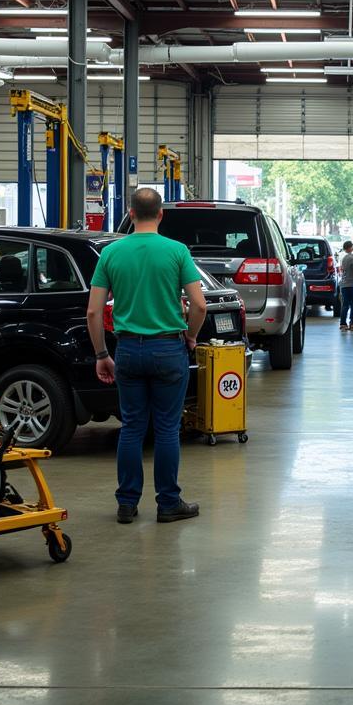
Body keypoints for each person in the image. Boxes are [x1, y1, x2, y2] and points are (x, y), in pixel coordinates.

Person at [86, 187, 207, 523]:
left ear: (131, 213)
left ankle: (127, 503)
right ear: (161, 214)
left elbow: (94, 313)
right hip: (169, 348)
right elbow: (199, 304)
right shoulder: (177, 251)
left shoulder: (111, 253)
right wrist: (192, 336)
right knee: (167, 429)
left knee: (132, 427)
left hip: (127, 350)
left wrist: (101, 354)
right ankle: (168, 503)